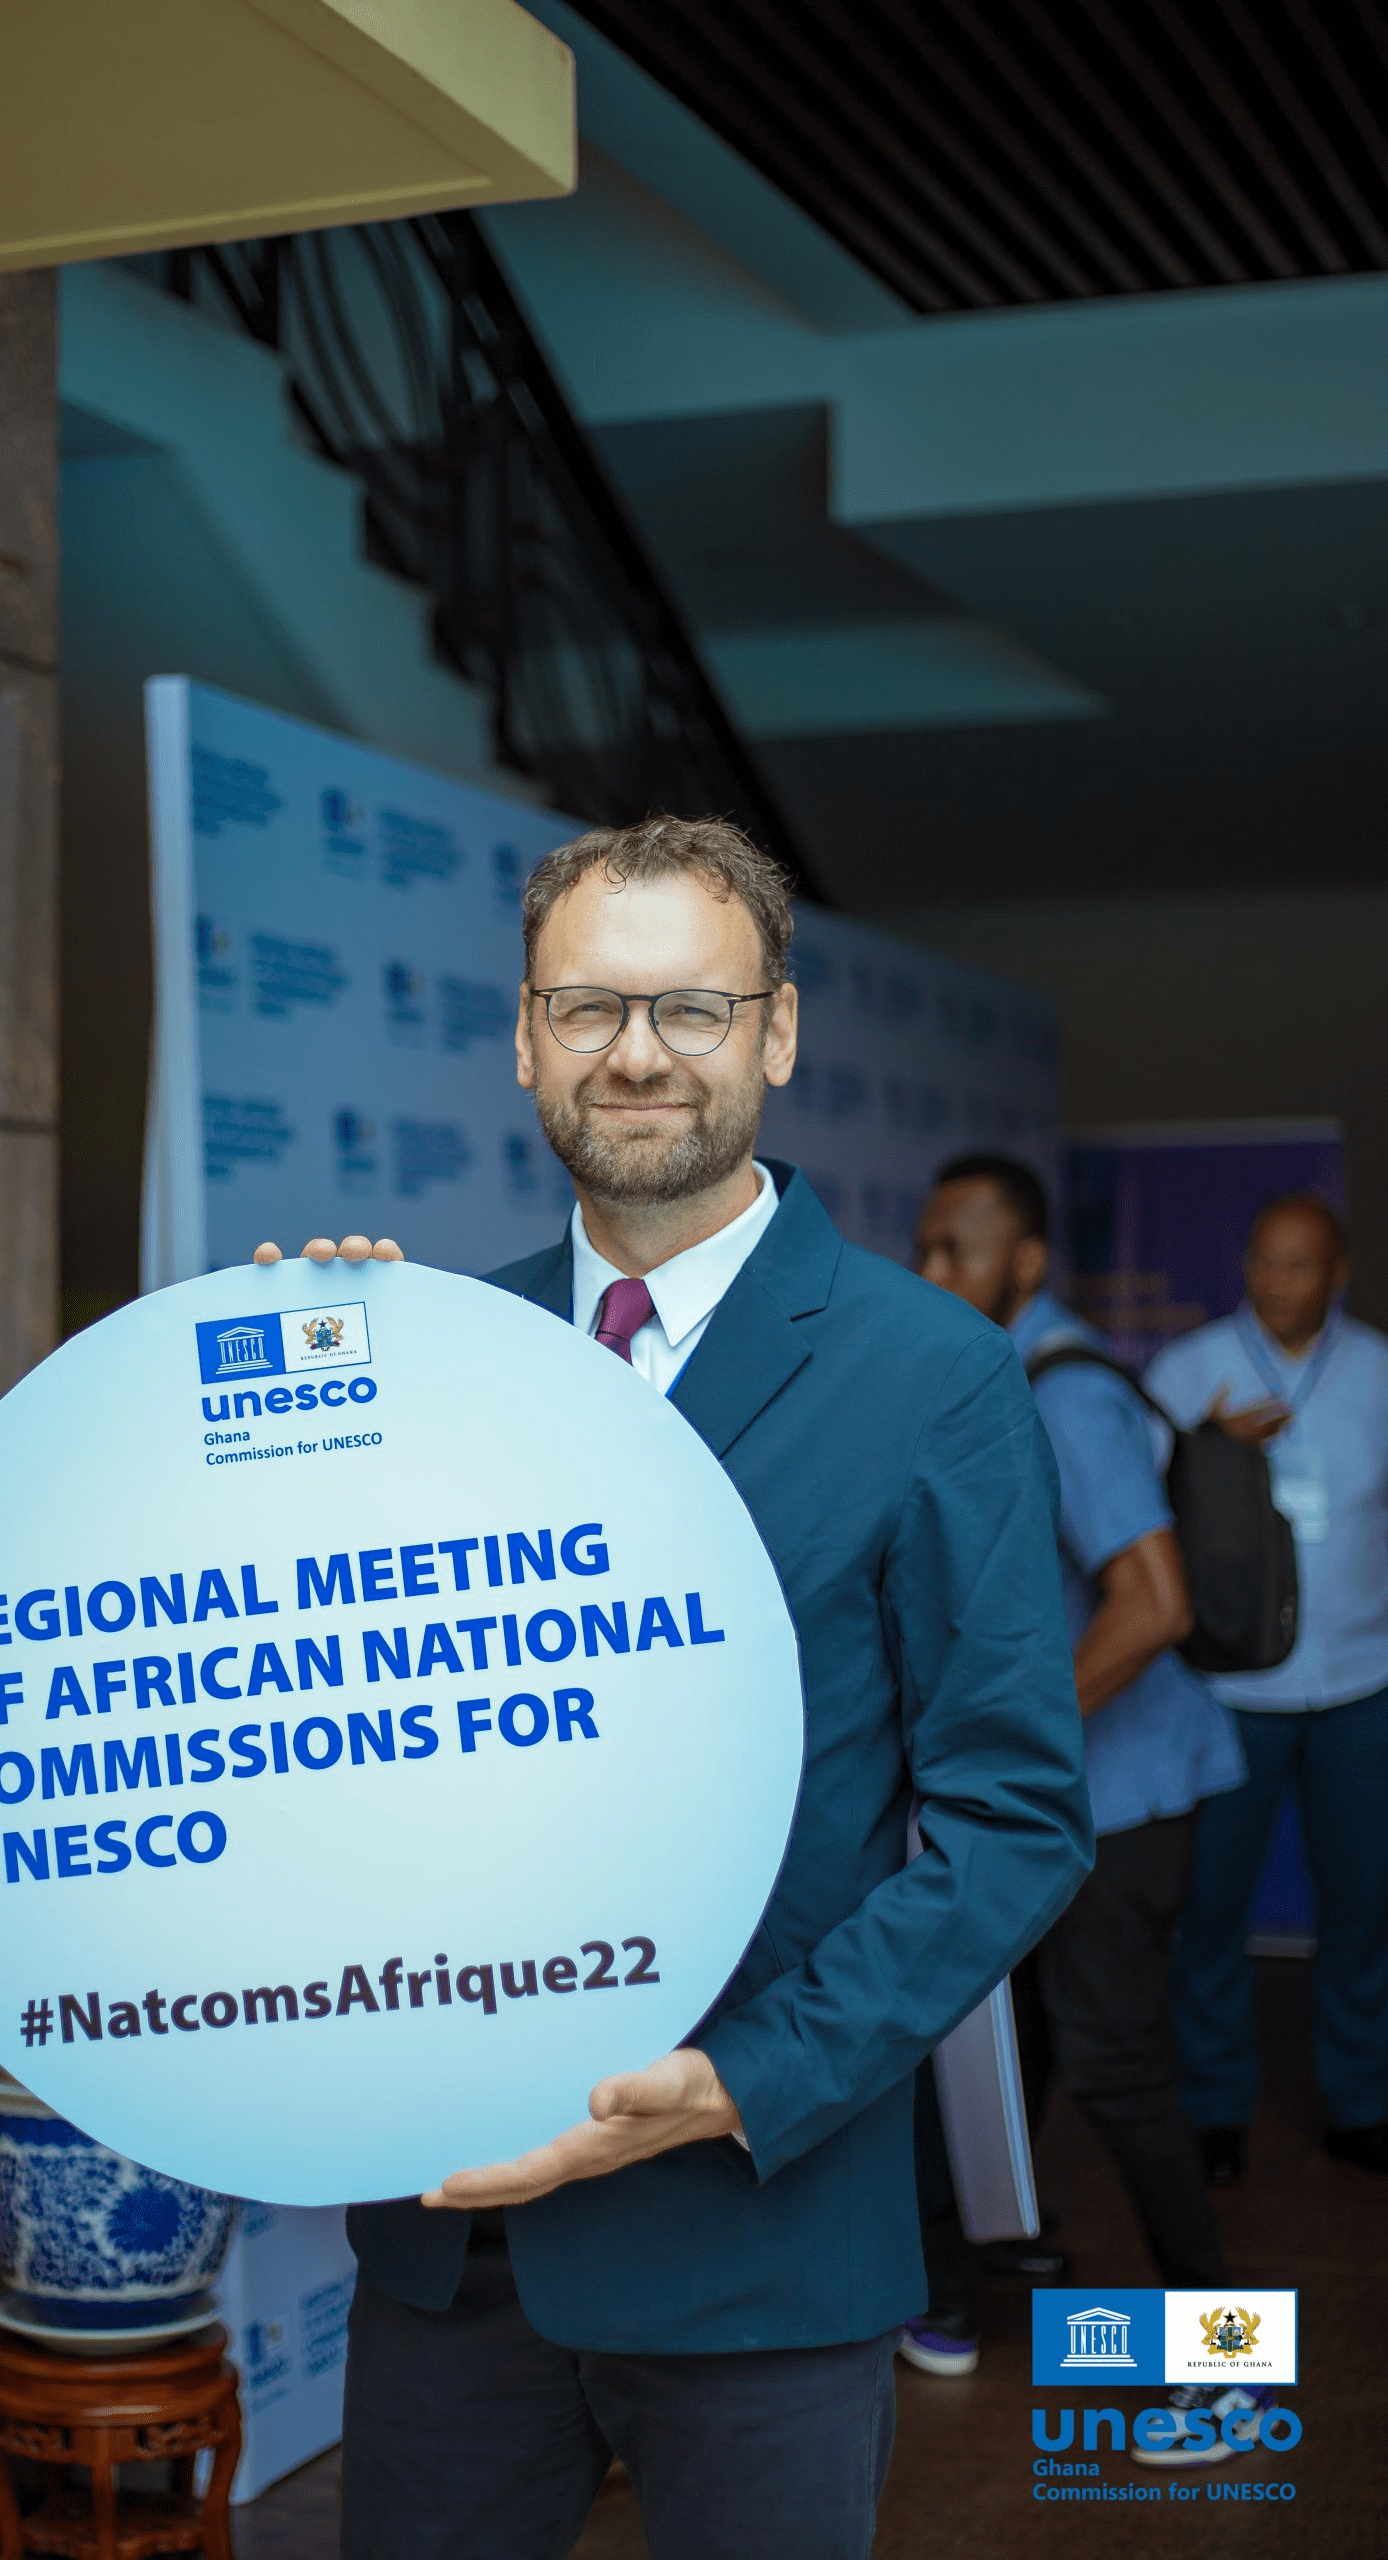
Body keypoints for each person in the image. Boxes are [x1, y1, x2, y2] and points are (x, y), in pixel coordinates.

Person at [255, 817, 1090, 2560]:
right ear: (523, 1038)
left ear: (774, 1033)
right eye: (586, 1007)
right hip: (452, 2250)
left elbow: (1012, 1825)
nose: (634, 1053)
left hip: (755, 2241)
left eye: (689, 1009)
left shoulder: (932, 1377)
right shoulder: (426, 1359)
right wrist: (268, 1435)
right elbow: (309, 1730)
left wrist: (734, 2084)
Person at [913, 1158, 1247, 2431]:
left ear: (1028, 1262)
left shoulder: (1061, 1392)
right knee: (1009, 2044)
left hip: (1121, 1800)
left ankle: (1223, 2356)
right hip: (1075, 1798)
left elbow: (1152, 1603)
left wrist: (1007, 1740)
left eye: (956, 1251)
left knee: (1117, 2066)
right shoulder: (1010, 1373)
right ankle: (965, 2280)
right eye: (924, 1249)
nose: (931, 1273)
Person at [1147, 1193, 1388, 2181]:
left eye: (1298, 1264)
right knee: (1212, 1908)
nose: (1275, 1280)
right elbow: (1130, 1514)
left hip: (1361, 1684)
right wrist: (1204, 1449)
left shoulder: (1376, 1370)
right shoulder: (1185, 1369)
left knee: (1361, 1906)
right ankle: (1214, 2107)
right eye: (1261, 1260)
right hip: (1230, 1691)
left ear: (1337, 1275)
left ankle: (1360, 2102)